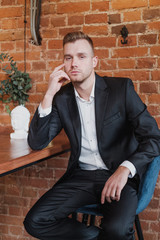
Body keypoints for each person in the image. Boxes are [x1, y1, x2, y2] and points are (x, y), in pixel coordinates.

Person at [24, 31, 160, 240]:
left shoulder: (120, 89)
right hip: (81, 177)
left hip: (118, 176)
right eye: (68, 58)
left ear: (94, 61)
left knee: (117, 230)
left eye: (81, 56)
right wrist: (49, 94)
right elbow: (37, 142)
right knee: (35, 221)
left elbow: (153, 137)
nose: (73, 64)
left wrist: (125, 168)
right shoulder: (62, 98)